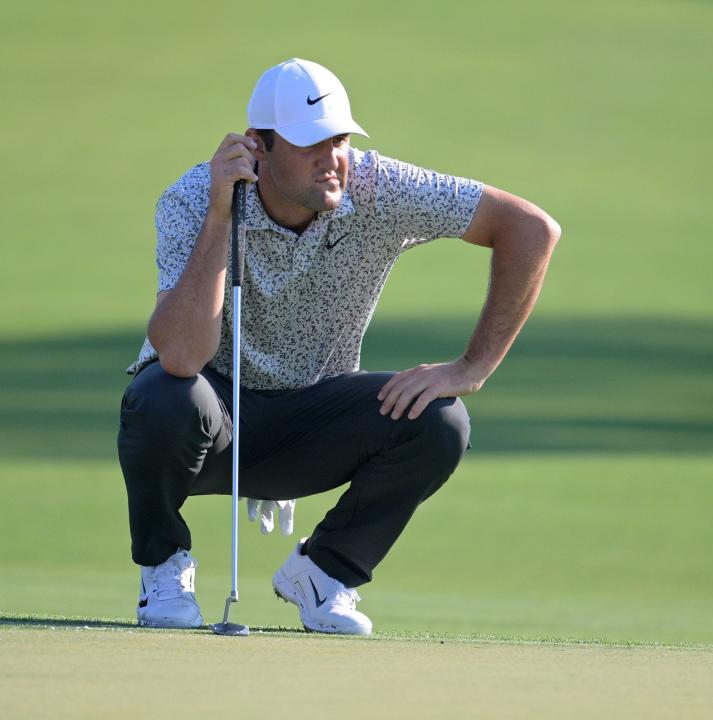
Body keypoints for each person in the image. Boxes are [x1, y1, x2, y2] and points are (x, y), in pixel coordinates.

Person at [117, 58, 560, 635]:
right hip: (209, 428)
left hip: (313, 423)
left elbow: (531, 229)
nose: (333, 159)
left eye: (341, 139)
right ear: (260, 147)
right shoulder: (192, 199)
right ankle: (163, 566)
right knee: (162, 395)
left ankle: (323, 573)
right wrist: (221, 218)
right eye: (311, 144)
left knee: (439, 420)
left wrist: (471, 367)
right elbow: (180, 355)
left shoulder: (377, 188)